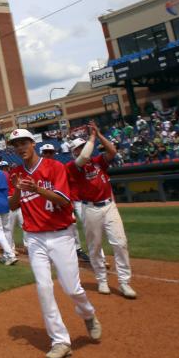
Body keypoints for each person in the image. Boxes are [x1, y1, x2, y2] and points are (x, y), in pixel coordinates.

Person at [7, 128, 101, 358]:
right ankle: (60, 341)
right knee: (44, 288)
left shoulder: (54, 167)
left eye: (23, 142)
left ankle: (88, 314)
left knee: (72, 288)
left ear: (33, 143)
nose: (20, 147)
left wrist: (37, 189)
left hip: (60, 234)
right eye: (15, 144)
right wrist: (19, 189)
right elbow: (11, 206)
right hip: (34, 237)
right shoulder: (16, 173)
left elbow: (64, 200)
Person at [66, 124, 136, 298]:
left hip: (109, 205)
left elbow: (112, 151)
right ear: (73, 152)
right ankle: (102, 279)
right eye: (78, 148)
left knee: (120, 243)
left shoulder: (98, 162)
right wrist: (91, 139)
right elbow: (83, 157)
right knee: (95, 246)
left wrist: (99, 134)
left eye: (83, 146)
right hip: (90, 208)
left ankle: (124, 282)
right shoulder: (73, 166)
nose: (81, 150)